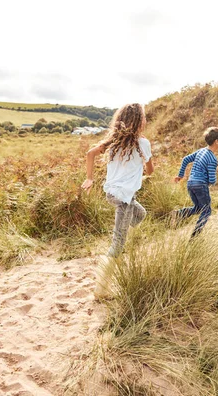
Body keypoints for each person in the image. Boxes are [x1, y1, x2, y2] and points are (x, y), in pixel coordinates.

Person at [81, 103, 153, 299]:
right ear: (139, 121)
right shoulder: (143, 144)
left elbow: (90, 154)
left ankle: (121, 243)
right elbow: (150, 171)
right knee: (118, 243)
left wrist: (89, 178)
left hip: (112, 193)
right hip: (124, 199)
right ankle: (101, 291)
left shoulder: (114, 141)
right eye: (144, 118)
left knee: (141, 214)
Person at [172, 127, 218, 237]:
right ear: (216, 142)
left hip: (190, 183)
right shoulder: (213, 159)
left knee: (198, 208)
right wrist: (213, 179)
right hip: (200, 185)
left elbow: (185, 159)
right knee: (206, 211)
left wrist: (180, 175)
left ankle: (178, 214)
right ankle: (195, 237)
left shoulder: (201, 151)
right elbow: (212, 180)